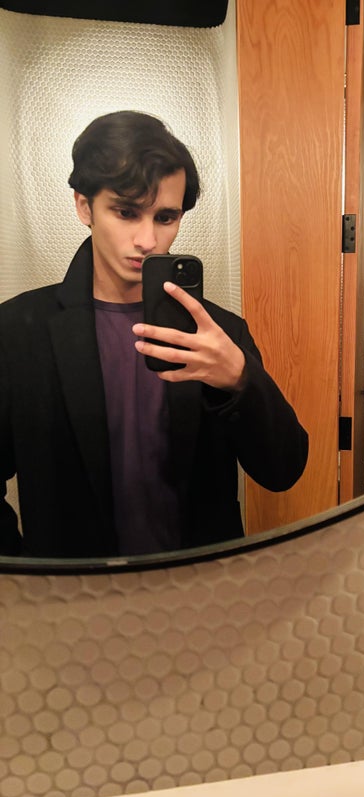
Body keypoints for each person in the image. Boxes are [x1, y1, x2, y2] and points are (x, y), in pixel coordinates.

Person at [0, 110, 308, 558]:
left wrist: (242, 380)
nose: (147, 239)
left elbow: (283, 470)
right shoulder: (16, 332)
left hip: (200, 587)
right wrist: (25, 576)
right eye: (126, 212)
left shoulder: (218, 332)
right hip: (72, 593)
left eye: (165, 217)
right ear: (84, 206)